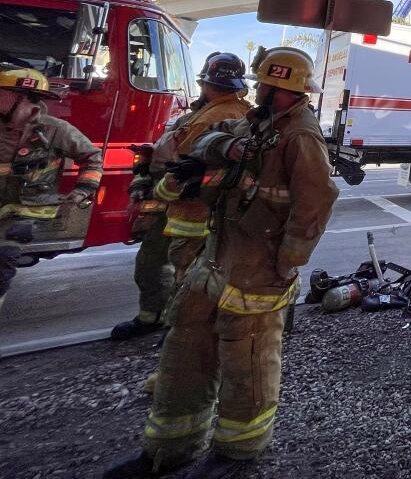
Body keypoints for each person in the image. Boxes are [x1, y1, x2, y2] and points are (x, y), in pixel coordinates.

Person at [105, 47, 339, 479]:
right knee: (184, 348)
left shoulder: (300, 136)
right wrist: (229, 146)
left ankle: (237, 454)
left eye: (266, 85)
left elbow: (315, 205)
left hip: (257, 269)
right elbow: (206, 142)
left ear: (284, 90)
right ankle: (168, 448)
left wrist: (286, 264)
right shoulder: (256, 123)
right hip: (215, 258)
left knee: (246, 362)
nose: (258, 91)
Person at [111, 53, 253, 340]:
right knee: (154, 264)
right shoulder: (202, 112)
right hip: (174, 202)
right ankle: (155, 318)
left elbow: (190, 162)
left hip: (193, 208)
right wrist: (149, 162)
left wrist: (159, 184)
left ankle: (177, 330)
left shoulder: (220, 115)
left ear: (205, 81)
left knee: (186, 273)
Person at [0, 66, 102, 311]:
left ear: (23, 98)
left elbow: (93, 158)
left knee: (2, 260)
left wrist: (82, 190)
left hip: (24, 210)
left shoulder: (55, 130)